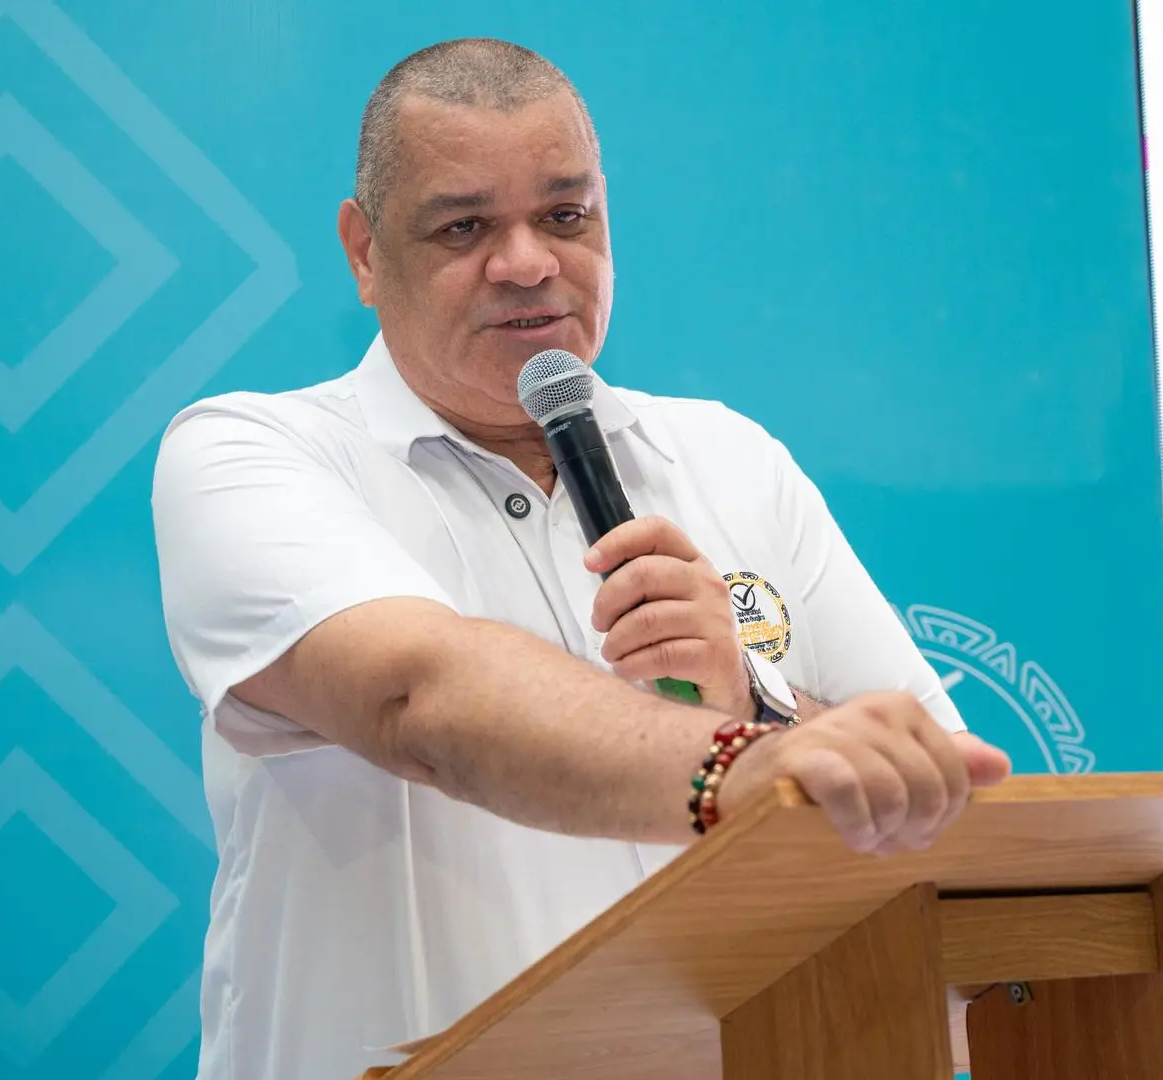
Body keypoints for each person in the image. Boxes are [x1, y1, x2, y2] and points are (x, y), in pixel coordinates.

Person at [151, 37, 1012, 1080]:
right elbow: (421, 700)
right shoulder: (251, 453)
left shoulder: (730, 458)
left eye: (565, 215)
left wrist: (759, 705)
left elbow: (952, 822)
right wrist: (737, 763)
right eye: (464, 226)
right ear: (364, 252)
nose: (528, 261)